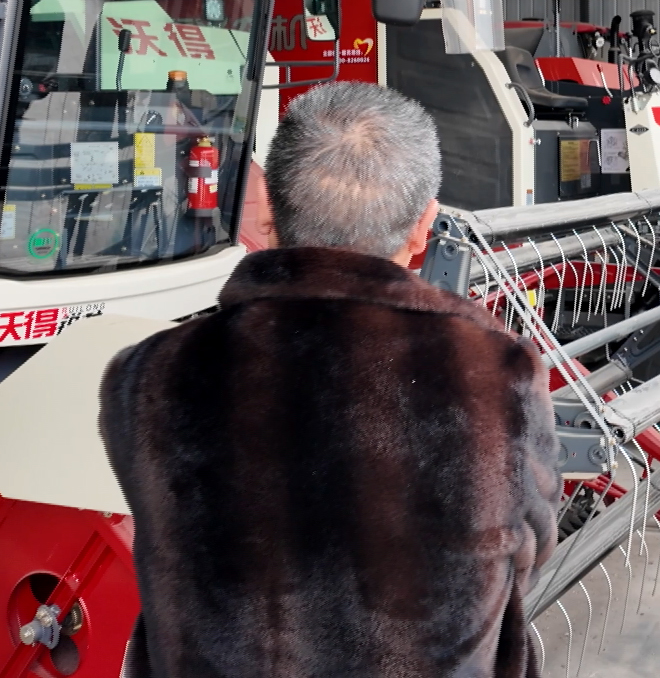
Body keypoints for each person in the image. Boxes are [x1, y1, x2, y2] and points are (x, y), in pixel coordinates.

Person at [100, 82, 562, 678]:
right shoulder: (495, 374)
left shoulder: (147, 377)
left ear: (265, 212)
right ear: (424, 227)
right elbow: (530, 547)